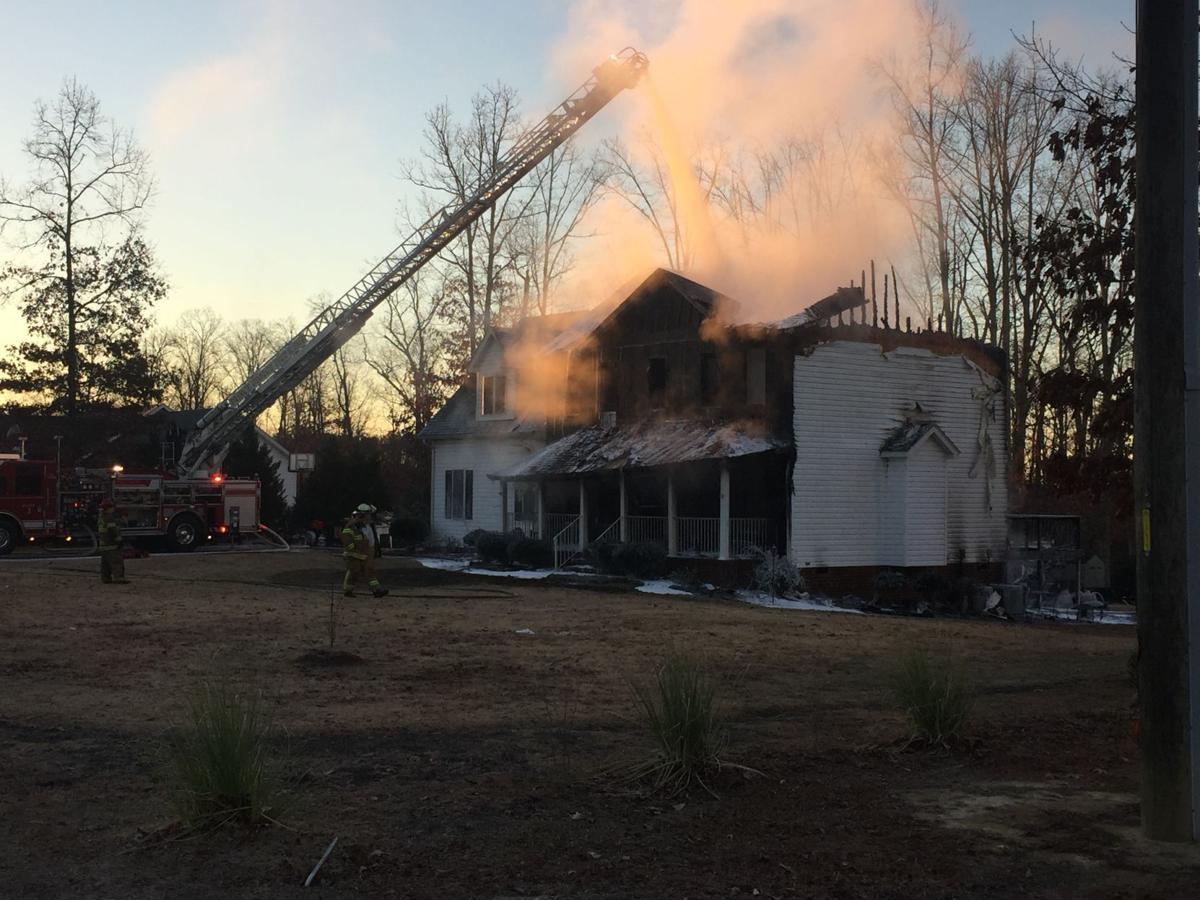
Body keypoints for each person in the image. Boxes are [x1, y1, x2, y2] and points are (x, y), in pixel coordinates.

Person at [341, 505, 388, 598]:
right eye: (368, 515)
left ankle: (377, 590)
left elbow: (369, 541)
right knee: (354, 572)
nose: (369, 517)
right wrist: (354, 547)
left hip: (364, 554)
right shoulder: (352, 527)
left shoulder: (366, 526)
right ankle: (348, 591)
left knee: (370, 571)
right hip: (354, 555)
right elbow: (348, 540)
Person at [97, 499, 129, 585]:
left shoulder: (101, 517)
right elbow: (113, 530)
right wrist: (119, 540)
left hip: (104, 545)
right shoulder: (109, 518)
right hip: (112, 544)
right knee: (116, 562)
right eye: (112, 507)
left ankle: (106, 578)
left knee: (105, 564)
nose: (113, 509)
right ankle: (119, 578)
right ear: (109, 508)